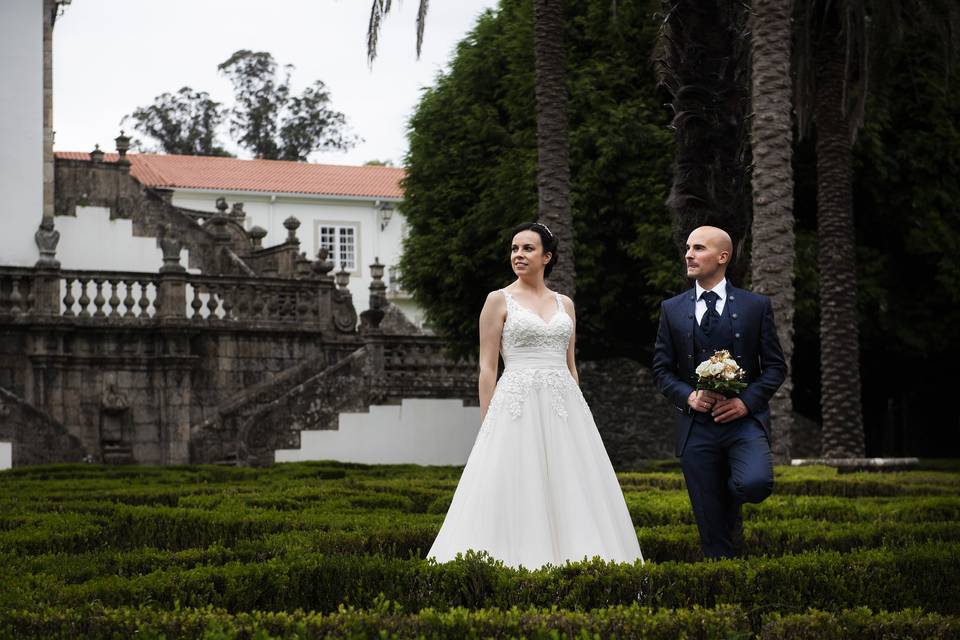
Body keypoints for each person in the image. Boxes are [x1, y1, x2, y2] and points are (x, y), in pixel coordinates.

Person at [428, 222, 643, 569]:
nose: (518, 255)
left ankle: (581, 562)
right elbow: (487, 367)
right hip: (516, 404)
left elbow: (571, 365)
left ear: (547, 256)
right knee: (517, 481)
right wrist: (487, 419)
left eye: (527, 248)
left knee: (572, 484)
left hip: (564, 406)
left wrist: (576, 409)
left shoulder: (566, 305)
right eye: (514, 249)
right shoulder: (497, 300)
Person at [652, 225, 786, 558]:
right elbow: (661, 370)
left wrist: (745, 402)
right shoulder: (672, 309)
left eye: (698, 248)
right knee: (711, 531)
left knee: (754, 483)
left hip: (743, 424)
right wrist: (688, 395)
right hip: (696, 429)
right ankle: (723, 590)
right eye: (687, 248)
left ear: (722, 257)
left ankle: (730, 488)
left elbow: (775, 367)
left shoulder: (756, 306)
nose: (688, 254)